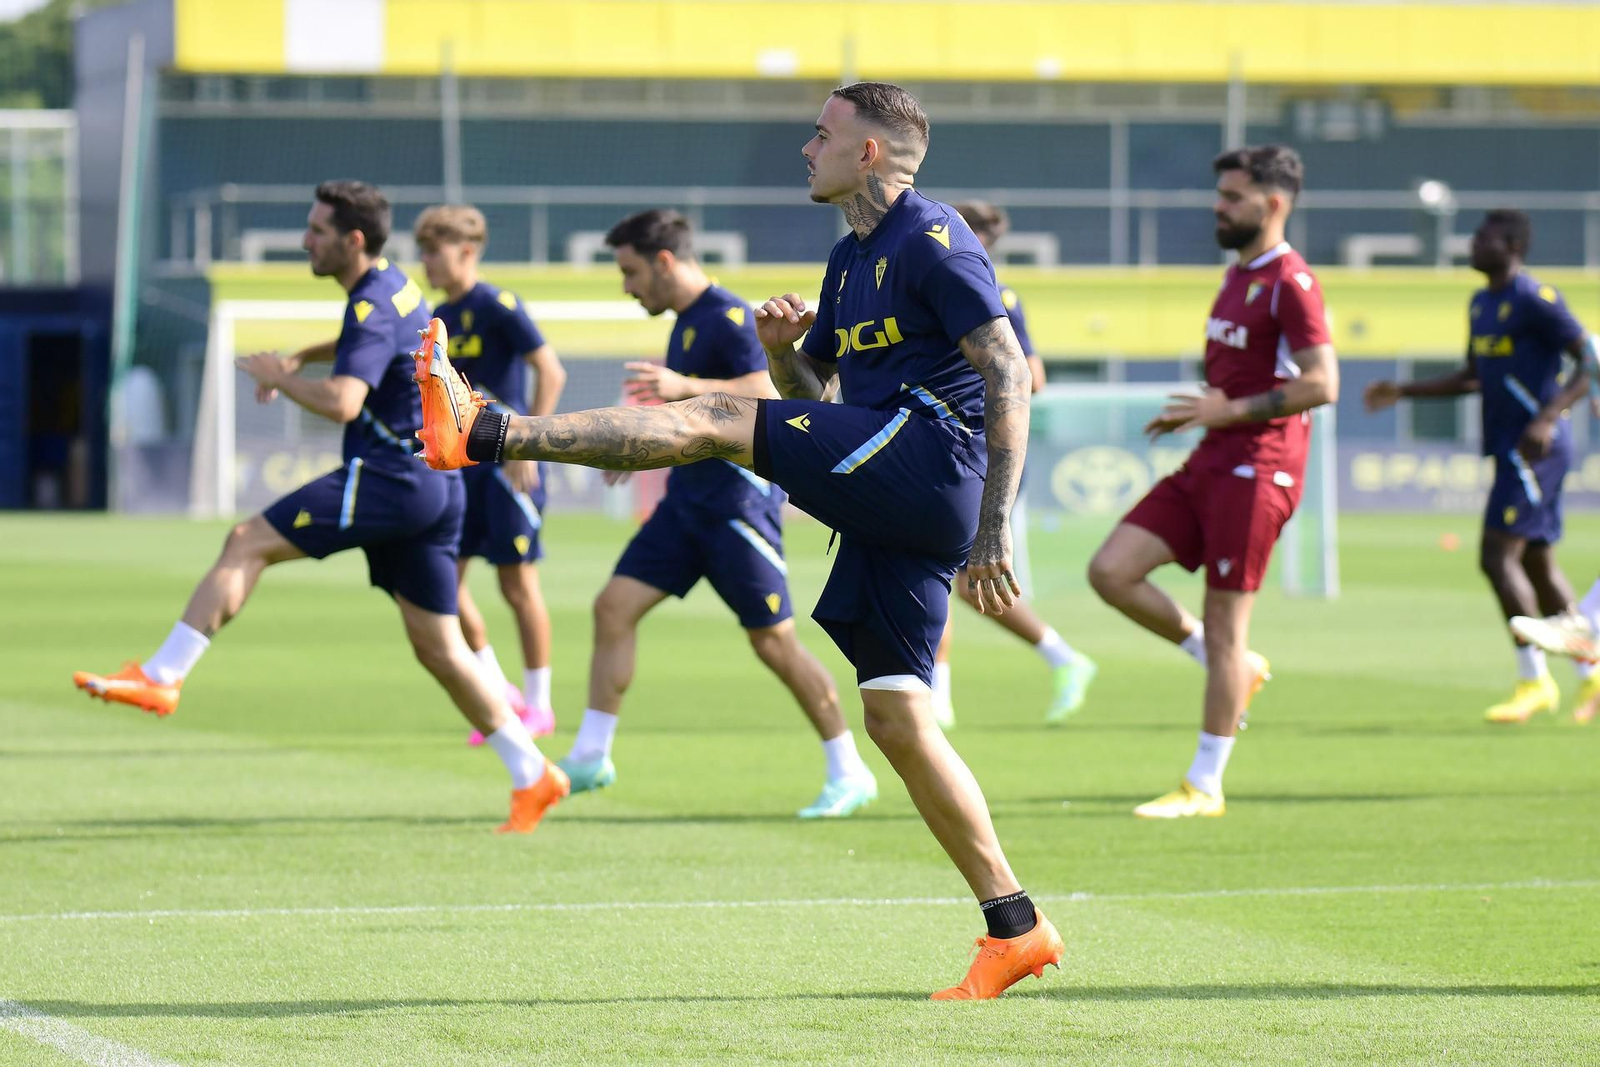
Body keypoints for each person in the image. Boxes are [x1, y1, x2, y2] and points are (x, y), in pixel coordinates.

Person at [413, 83, 1062, 999]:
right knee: (895, 717)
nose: (807, 148)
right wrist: (786, 349)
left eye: (823, 134)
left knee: (715, 417)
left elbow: (1008, 371)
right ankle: (1015, 925)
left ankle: (484, 430)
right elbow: (815, 395)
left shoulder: (933, 236)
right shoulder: (849, 257)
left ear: (869, 152)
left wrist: (995, 525)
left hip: (937, 459)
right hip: (896, 479)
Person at [73, 181, 568, 833]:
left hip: (391, 476)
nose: (305, 241)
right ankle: (533, 773)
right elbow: (376, 338)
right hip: (432, 483)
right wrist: (306, 354)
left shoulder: (372, 300)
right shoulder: (396, 285)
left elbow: (342, 401)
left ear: (352, 240)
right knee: (440, 647)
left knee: (246, 540)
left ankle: (163, 674)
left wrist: (282, 378)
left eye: (315, 231)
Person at [551, 208, 877, 820]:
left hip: (735, 507)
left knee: (774, 643)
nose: (626, 287)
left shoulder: (728, 316)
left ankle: (849, 770)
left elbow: (768, 389)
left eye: (630, 272)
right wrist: (635, 452)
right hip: (686, 505)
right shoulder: (686, 321)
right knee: (612, 607)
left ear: (664, 261)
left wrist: (681, 387)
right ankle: (592, 754)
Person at [1087, 146, 1339, 819]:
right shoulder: (1237, 277)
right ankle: (1223, 661)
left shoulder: (1292, 282)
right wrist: (1201, 411)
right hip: (1213, 458)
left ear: (1273, 203)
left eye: (1232, 197)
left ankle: (1204, 783)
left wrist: (1229, 410)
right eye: (1220, 194)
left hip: (1260, 469)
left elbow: (1323, 383)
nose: (1218, 207)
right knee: (1111, 571)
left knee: (1229, 627)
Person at [1366, 209, 1598, 724]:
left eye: (1482, 237)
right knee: (1536, 561)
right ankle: (1591, 672)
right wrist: (1404, 390)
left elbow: (1590, 359)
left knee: (1496, 556)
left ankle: (1533, 680)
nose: (1471, 245)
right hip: (1509, 446)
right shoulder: (1481, 303)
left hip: (1534, 448)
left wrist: (1548, 416)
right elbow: (1474, 375)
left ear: (1511, 245)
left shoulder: (1535, 299)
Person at [928, 200, 1097, 729]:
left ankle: (940, 697)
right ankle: (1059, 658)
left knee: (944, 571)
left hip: (980, 451)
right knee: (951, 576)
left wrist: (980, 376)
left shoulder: (995, 297)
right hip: (943, 449)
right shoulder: (934, 290)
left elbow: (1032, 376)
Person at [415, 204, 568, 744]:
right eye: (422, 252)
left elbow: (550, 370)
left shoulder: (498, 305)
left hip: (507, 467)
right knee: (443, 584)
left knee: (517, 584)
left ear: (466, 251)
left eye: (433, 251)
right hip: (461, 471)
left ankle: (540, 706)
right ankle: (499, 691)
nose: (425, 262)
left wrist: (531, 445)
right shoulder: (439, 314)